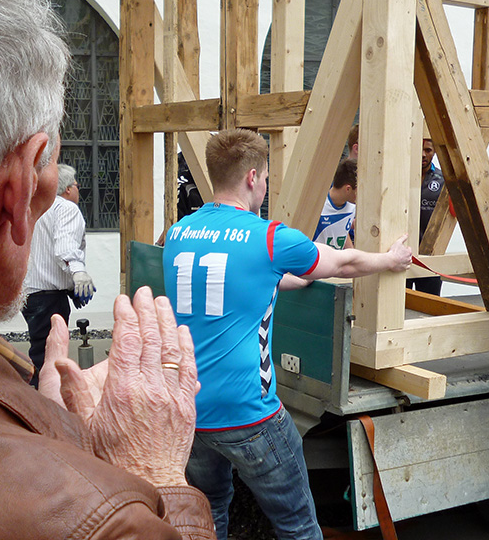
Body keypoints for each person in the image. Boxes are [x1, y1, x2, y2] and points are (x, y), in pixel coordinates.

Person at [0, 0, 214, 539]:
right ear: (21, 188)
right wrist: (153, 476)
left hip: (47, 297)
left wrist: (44, 424)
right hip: (50, 292)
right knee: (46, 341)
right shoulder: (91, 517)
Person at [162, 128, 412, 540]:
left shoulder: (179, 233)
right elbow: (343, 263)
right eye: (265, 178)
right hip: (249, 413)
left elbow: (237, 280)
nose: (264, 186)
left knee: (211, 512)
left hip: (191, 410)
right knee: (297, 526)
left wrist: (290, 277)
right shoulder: (268, 237)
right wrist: (391, 259)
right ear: (252, 178)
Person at [21, 163, 95, 387]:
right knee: (50, 357)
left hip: (30, 294)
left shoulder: (36, 206)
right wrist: (79, 273)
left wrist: (70, 287)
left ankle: (38, 394)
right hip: (49, 297)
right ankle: (43, 400)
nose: (78, 190)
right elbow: (64, 248)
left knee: (40, 350)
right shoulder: (66, 208)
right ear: (68, 189)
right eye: (77, 185)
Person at [406, 136, 445, 295]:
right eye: (418, 149)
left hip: (431, 255)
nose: (423, 154)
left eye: (428, 150)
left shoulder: (443, 180)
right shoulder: (400, 176)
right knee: (401, 304)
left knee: (431, 303)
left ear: (435, 152)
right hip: (404, 253)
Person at [313, 158, 357, 249]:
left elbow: (342, 229)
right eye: (358, 190)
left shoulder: (352, 207)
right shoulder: (317, 206)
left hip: (337, 257)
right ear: (348, 189)